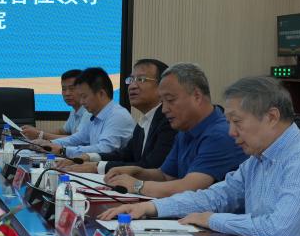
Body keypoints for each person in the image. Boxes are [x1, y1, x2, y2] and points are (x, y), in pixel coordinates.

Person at [100, 76, 300, 236]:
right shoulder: (258, 158)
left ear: (271, 117)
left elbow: (279, 231)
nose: (231, 132)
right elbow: (215, 197)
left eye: (237, 122)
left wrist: (212, 220)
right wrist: (151, 208)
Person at [103, 63, 246, 198]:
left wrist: (137, 185)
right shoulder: (185, 129)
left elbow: (189, 188)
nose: (164, 109)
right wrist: (138, 173)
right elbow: (166, 176)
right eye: (162, 102)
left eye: (170, 100)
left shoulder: (221, 134)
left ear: (197, 96)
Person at [57, 58, 176, 174]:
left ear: (162, 86)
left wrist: (98, 167)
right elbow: (126, 154)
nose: (132, 86)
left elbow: (151, 166)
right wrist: (89, 157)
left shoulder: (168, 121)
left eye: (141, 79)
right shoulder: (145, 120)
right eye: (131, 80)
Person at [40, 67, 135, 157]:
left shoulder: (118, 116)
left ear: (101, 94)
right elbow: (78, 138)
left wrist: (63, 150)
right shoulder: (95, 115)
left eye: (84, 96)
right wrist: (49, 143)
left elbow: (104, 149)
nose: (81, 102)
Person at [22, 68, 88, 141]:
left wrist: (40, 134)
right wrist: (36, 132)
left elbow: (76, 140)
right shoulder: (74, 110)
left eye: (72, 89)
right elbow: (62, 132)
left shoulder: (88, 112)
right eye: (64, 89)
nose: (67, 93)